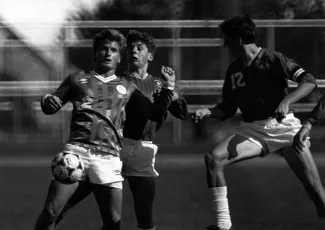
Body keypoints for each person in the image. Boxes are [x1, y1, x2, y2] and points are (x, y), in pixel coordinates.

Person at [192, 15, 325, 230]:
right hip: (254, 131)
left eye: (226, 38)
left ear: (238, 39)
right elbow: (227, 109)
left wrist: (286, 101)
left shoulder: (273, 58)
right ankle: (223, 224)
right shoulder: (234, 70)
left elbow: (308, 81)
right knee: (213, 159)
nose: (224, 43)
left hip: (285, 129)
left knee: (320, 200)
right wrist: (207, 111)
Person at [34, 29, 175, 230]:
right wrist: (47, 100)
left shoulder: (128, 87)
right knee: (50, 212)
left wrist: (168, 88)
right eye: (103, 49)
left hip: (108, 158)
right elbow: (51, 103)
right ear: (95, 53)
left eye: (114, 50)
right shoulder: (76, 79)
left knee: (112, 223)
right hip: (76, 153)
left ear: (119, 57)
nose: (108, 53)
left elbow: (155, 114)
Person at [120, 30, 188, 230]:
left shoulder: (158, 84)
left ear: (149, 56)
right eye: (130, 48)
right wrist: (168, 91)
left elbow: (182, 112)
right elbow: (151, 114)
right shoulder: (119, 82)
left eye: (139, 48)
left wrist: (173, 94)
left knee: (145, 216)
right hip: (115, 147)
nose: (134, 51)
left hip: (144, 150)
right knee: (110, 215)